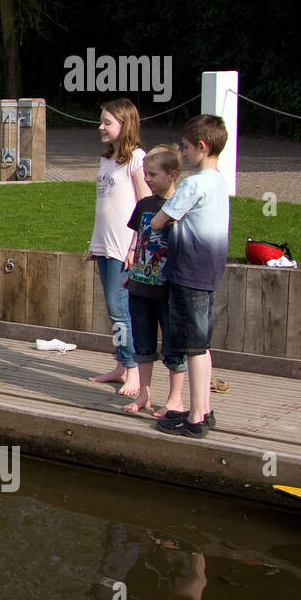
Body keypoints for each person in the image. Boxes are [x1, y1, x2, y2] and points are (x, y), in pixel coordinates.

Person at [149, 115, 230, 438]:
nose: (182, 154)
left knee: (192, 347)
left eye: (185, 148)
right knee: (203, 343)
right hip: (209, 270)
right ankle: (205, 408)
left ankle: (195, 417)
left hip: (188, 272)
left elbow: (158, 221)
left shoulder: (194, 184)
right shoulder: (219, 182)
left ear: (202, 147)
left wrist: (164, 218)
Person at [86, 98, 150, 396]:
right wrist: (93, 242)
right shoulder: (107, 159)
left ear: (125, 125)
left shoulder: (137, 159)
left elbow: (146, 206)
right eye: (101, 121)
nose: (101, 126)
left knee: (118, 307)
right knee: (113, 309)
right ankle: (121, 365)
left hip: (124, 246)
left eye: (107, 122)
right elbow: (103, 205)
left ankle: (133, 369)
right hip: (104, 244)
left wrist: (135, 246)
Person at [121, 145, 187, 417]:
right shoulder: (144, 205)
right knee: (143, 341)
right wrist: (132, 272)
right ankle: (144, 392)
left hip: (168, 288)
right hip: (140, 285)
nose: (147, 179)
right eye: (145, 173)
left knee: (173, 343)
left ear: (172, 175)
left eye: (153, 175)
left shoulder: (180, 207)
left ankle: (175, 398)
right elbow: (139, 240)